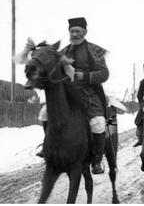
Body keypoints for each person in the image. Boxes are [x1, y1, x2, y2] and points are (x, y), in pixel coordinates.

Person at [35, 17, 109, 175]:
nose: (74, 34)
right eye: (72, 31)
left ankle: (97, 160)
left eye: (78, 31)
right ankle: (48, 145)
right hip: (66, 95)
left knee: (98, 123)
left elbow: (104, 73)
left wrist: (86, 76)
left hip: (89, 94)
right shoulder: (63, 52)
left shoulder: (95, 50)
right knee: (44, 113)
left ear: (84, 32)